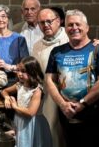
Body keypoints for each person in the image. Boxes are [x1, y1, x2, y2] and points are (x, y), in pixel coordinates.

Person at [45, 10, 99, 147]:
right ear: (65, 28)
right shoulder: (57, 52)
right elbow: (49, 80)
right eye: (70, 25)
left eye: (78, 24)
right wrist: (63, 104)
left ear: (87, 28)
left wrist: (82, 104)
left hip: (94, 114)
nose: (74, 28)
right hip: (67, 113)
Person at [31, 8, 68, 147]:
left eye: (49, 21)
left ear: (58, 21)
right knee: (52, 130)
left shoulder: (69, 39)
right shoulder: (37, 46)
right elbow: (35, 73)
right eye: (41, 23)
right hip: (49, 96)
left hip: (70, 93)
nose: (46, 25)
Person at [0, 56, 52, 147]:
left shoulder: (37, 90)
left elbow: (31, 112)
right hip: (20, 121)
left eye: (23, 71)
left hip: (32, 124)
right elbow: (4, 91)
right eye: (18, 70)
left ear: (32, 72)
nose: (19, 74)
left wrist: (15, 106)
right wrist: (7, 98)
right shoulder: (19, 85)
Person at [0, 4, 29, 86]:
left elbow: (26, 64)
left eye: (3, 16)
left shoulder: (19, 38)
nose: (0, 19)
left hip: (15, 81)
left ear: (8, 19)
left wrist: (8, 66)